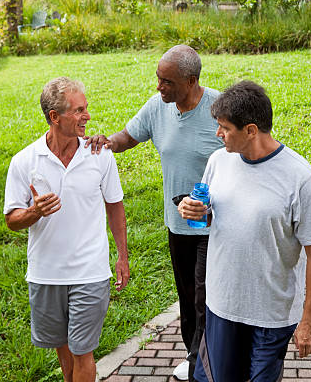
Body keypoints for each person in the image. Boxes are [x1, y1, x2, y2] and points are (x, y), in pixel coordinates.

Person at [178, 80, 311, 382]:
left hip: (270, 316)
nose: (218, 134)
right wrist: (196, 211)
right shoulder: (218, 161)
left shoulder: (300, 178)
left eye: (224, 128)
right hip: (222, 306)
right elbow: (215, 216)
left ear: (251, 130)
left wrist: (309, 321)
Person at [85, 45, 222, 381]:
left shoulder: (219, 108)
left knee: (206, 299)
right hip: (177, 224)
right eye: (158, 79)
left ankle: (206, 365)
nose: (159, 86)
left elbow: (245, 154)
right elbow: (129, 137)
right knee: (188, 299)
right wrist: (108, 143)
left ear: (191, 81)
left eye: (167, 81)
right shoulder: (157, 108)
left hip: (215, 226)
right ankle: (195, 357)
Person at [4, 77, 130, 382]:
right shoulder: (25, 161)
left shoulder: (99, 155)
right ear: (54, 117)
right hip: (46, 273)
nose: (87, 116)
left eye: (86, 108)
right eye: (78, 110)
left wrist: (122, 257)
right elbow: (11, 219)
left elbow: (115, 205)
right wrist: (34, 212)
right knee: (64, 351)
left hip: (90, 271)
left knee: (82, 351)